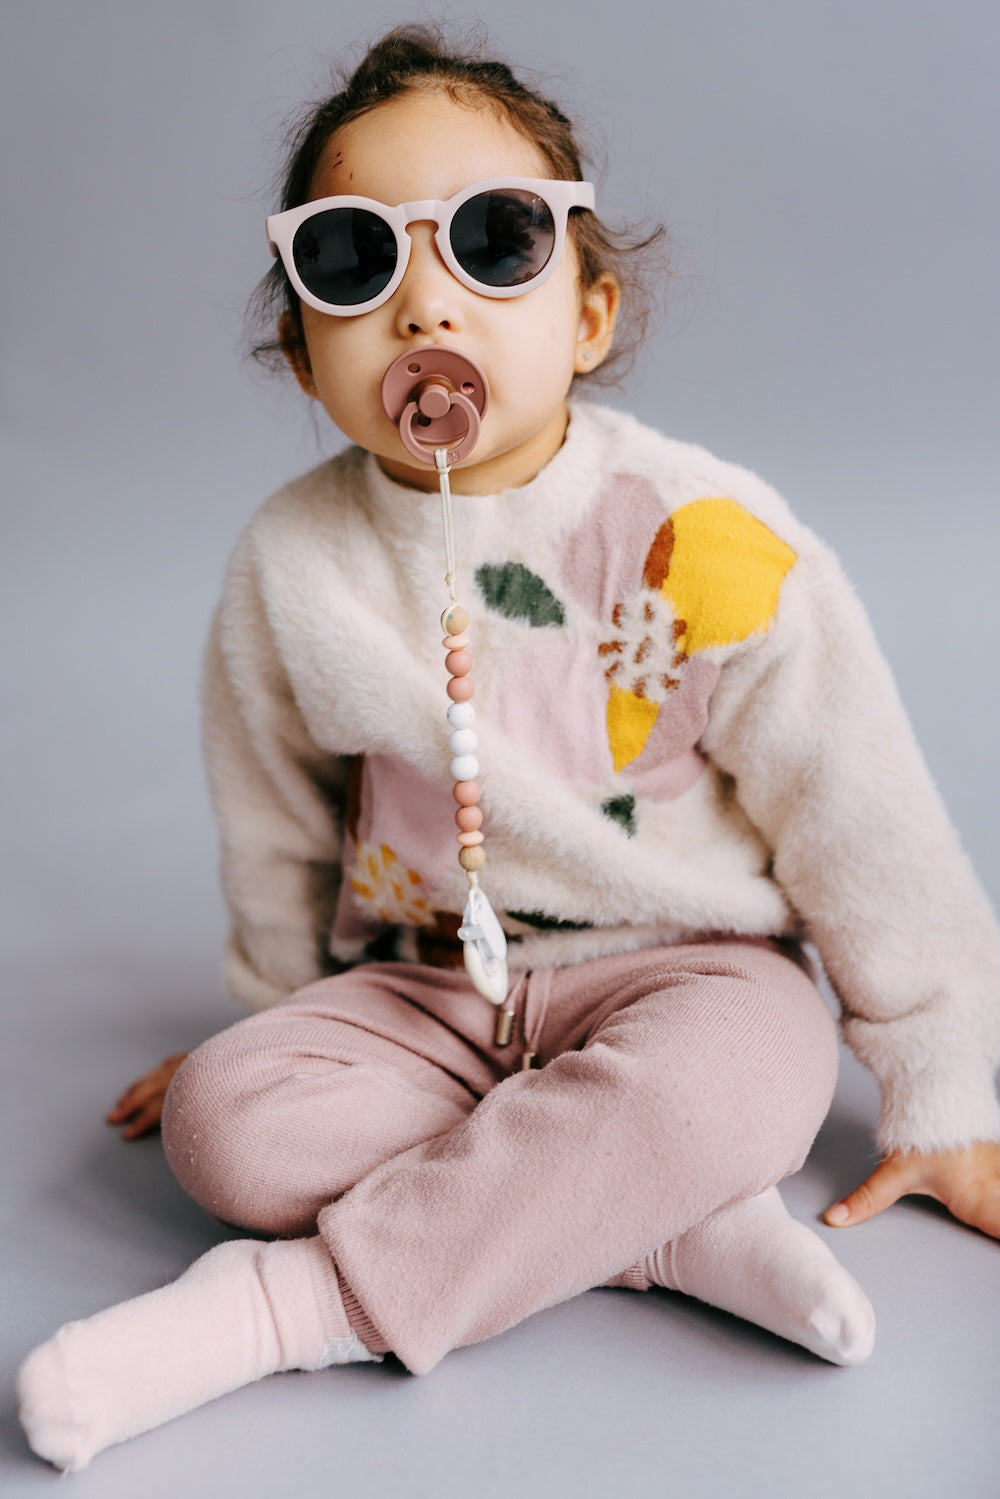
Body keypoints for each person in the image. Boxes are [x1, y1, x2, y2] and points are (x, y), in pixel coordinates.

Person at [18, 23, 1000, 1474]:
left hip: (680, 971)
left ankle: (299, 1305)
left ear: (589, 317)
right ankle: (651, 1226)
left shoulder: (704, 537)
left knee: (754, 1067)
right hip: (426, 991)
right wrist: (275, 1016)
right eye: (354, 261)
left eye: (493, 242)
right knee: (230, 1132)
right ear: (302, 353)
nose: (426, 302)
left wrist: (940, 1086)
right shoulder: (294, 561)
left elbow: (856, 809)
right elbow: (273, 816)